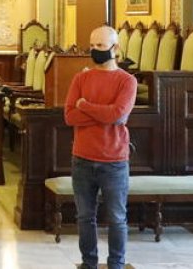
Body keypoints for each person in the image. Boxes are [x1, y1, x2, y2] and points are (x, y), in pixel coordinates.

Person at [63, 25, 137, 269]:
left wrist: (85, 105)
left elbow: (117, 115)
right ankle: (89, 263)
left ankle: (116, 264)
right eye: (92, 46)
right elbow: (70, 116)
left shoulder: (127, 81)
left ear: (115, 48)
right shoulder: (80, 78)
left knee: (116, 218)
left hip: (114, 160)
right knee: (85, 217)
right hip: (82, 158)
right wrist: (98, 112)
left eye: (100, 46)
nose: (94, 50)